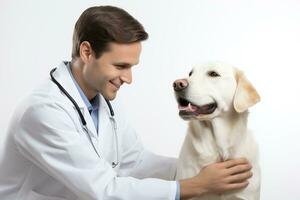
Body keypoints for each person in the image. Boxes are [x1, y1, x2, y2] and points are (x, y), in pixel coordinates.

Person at [0, 5, 252, 200]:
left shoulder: (104, 100)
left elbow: (135, 163)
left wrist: (198, 168)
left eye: (131, 67)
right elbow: (104, 190)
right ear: (87, 52)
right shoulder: (43, 112)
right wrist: (197, 184)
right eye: (120, 66)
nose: (128, 78)